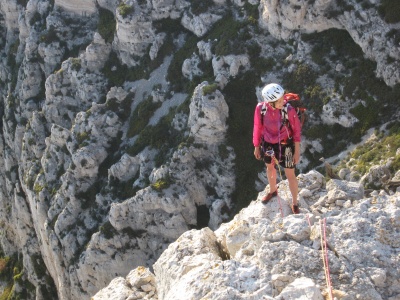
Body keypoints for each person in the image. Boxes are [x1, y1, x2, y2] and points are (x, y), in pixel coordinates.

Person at [253, 83, 301, 214]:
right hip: (268, 143)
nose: (282, 102)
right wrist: (256, 146)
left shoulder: (288, 110)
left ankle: (295, 203)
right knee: (270, 167)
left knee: (290, 174)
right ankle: (273, 191)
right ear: (270, 102)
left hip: (286, 144)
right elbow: (257, 127)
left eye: (282, 99)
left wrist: (297, 151)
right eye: (278, 101)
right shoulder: (261, 109)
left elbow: (296, 130)